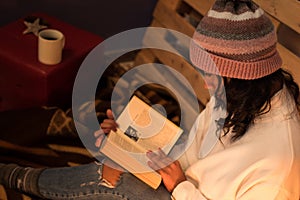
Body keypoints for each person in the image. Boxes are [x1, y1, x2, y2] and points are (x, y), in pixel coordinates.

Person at [1, 0, 300, 199]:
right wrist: (137, 139)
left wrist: (179, 186)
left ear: (242, 74)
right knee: (116, 163)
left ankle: (18, 179)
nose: (206, 81)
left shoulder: (275, 169)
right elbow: (199, 151)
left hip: (184, 193)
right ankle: (23, 178)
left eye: (211, 73)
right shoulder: (242, 97)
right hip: (182, 186)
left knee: (116, 181)